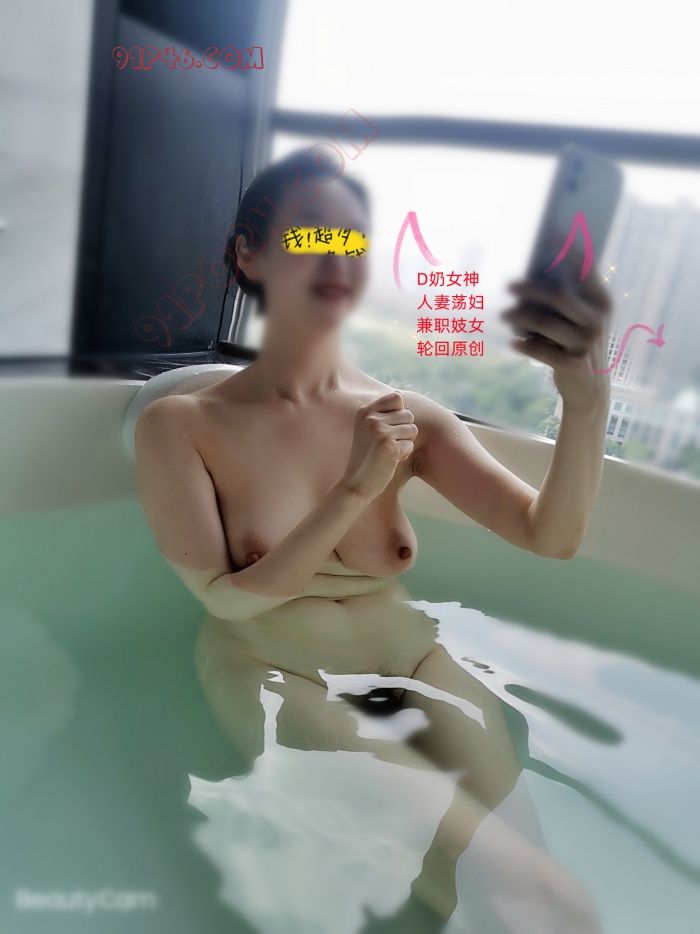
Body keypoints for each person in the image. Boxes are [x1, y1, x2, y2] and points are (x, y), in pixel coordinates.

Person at [134, 148, 611, 931]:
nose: (336, 257)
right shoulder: (182, 425)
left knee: (531, 888)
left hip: (414, 660)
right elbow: (224, 599)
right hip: (277, 671)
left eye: (352, 241)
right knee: (519, 892)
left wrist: (586, 405)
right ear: (249, 254)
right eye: (310, 235)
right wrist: (355, 488)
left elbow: (548, 535)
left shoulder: (408, 416)